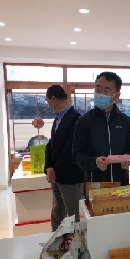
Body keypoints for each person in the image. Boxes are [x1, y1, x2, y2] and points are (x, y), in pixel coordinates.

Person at [72, 72, 130, 186]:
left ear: (117, 95)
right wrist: (94, 162)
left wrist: (129, 159)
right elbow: (77, 154)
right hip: (94, 183)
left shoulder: (126, 122)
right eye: (98, 89)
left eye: (106, 91)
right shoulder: (84, 121)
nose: (101, 94)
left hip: (121, 184)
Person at [43, 85, 83, 230]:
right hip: (56, 175)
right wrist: (48, 167)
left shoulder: (76, 118)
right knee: (57, 211)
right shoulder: (58, 118)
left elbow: (70, 151)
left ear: (53, 99)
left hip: (69, 176)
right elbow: (51, 144)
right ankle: (56, 239)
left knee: (72, 215)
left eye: (47, 101)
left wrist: (55, 171)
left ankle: (74, 241)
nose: (48, 104)